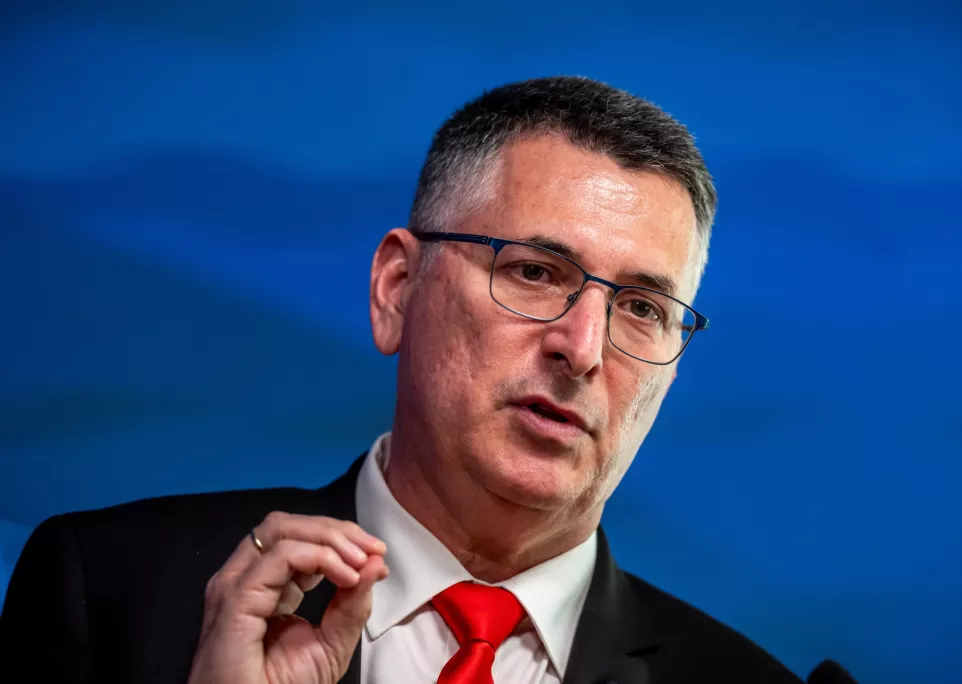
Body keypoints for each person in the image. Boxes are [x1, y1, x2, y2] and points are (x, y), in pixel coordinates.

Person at [0, 76, 802, 683]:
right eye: (533, 270)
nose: (583, 347)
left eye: (641, 308)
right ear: (396, 290)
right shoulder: (110, 590)